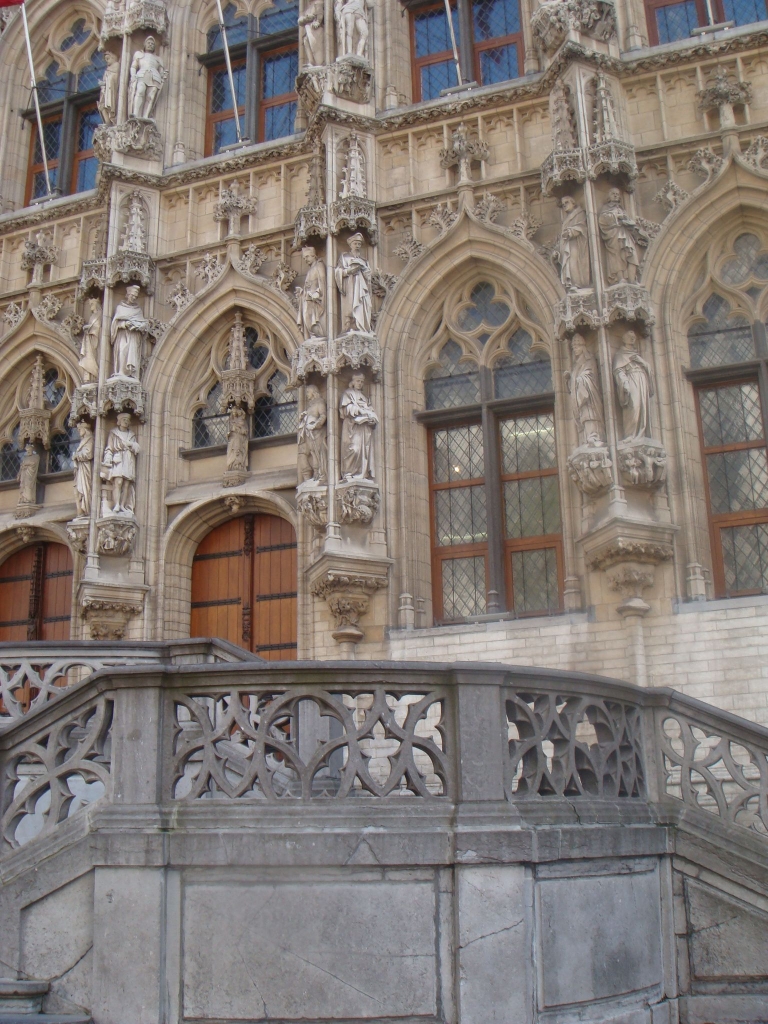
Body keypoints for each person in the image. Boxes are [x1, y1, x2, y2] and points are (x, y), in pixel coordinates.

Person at [613, 330, 654, 441]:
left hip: (642, 380)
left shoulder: (637, 355)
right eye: (629, 337)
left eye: (634, 337)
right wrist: (624, 382)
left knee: (642, 407)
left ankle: (641, 434)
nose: (632, 339)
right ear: (623, 339)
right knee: (634, 406)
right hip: (631, 379)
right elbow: (618, 370)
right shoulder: (620, 354)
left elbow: (648, 368)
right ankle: (630, 434)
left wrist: (642, 362)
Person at [565, 334, 605, 446]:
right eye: (574, 348)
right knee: (585, 416)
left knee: (590, 414)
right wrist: (570, 379)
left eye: (577, 347)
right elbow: (573, 386)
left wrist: (580, 380)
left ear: (583, 346)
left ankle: (594, 436)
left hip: (590, 395)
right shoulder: (576, 364)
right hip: (582, 395)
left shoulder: (589, 359)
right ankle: (587, 438)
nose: (575, 350)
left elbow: (590, 375)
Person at [598, 188, 640, 285]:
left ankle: (632, 279)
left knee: (632, 255)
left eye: (617, 194)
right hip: (614, 234)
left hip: (625, 233)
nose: (616, 195)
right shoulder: (606, 208)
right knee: (617, 256)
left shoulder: (621, 209)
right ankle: (620, 278)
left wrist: (627, 221)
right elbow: (602, 219)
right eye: (613, 194)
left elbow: (630, 221)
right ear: (609, 197)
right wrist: (616, 217)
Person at [339, 373, 377, 480]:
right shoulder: (348, 393)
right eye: (358, 381)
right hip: (352, 426)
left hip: (364, 428)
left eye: (361, 382)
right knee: (354, 449)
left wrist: (372, 418)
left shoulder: (365, 398)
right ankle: (349, 472)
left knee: (363, 451)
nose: (360, 383)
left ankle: (362, 474)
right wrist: (360, 410)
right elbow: (345, 409)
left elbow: (371, 410)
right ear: (353, 382)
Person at [102, 413, 139, 514]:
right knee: (118, 482)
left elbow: (137, 448)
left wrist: (130, 444)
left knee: (126, 484)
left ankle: (122, 505)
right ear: (119, 421)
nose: (126, 422)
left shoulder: (131, 434)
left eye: (127, 420)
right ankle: (117, 504)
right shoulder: (113, 433)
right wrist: (108, 458)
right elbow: (109, 448)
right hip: (118, 458)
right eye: (124, 420)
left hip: (128, 459)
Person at [335, 233, 372, 334]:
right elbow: (338, 272)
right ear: (350, 245)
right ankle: (350, 324)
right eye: (355, 243)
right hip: (350, 285)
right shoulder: (344, 257)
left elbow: (369, 277)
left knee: (361, 304)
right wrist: (349, 271)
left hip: (361, 286)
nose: (357, 246)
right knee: (350, 305)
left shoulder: (364, 261)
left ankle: (360, 325)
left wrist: (363, 268)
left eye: (359, 244)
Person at [110, 285, 149, 378]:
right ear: (127, 295)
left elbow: (143, 323)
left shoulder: (138, 310)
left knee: (132, 354)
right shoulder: (120, 308)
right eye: (132, 296)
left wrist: (137, 326)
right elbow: (115, 323)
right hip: (122, 334)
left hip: (133, 336)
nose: (134, 298)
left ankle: (130, 373)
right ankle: (121, 371)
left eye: (136, 297)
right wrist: (124, 324)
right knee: (122, 350)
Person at [128, 36, 167, 120]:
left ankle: (146, 116)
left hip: (154, 77)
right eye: (148, 43)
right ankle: (135, 113)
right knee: (140, 91)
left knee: (150, 97)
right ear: (145, 45)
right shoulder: (139, 55)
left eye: (152, 44)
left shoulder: (158, 59)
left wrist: (163, 75)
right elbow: (133, 67)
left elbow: (161, 71)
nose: (150, 45)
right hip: (142, 74)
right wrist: (133, 75)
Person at [555, 197, 590, 290]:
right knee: (569, 263)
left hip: (575, 243)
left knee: (572, 262)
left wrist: (571, 232)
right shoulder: (566, 219)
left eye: (566, 202)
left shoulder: (579, 213)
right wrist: (557, 249)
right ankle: (573, 284)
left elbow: (582, 227)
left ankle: (577, 284)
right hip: (567, 244)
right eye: (563, 204)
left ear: (573, 203)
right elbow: (561, 237)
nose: (564, 205)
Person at [298, 385, 328, 483]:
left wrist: (315, 425)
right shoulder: (310, 405)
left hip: (317, 432)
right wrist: (303, 416)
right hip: (308, 432)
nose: (306, 394)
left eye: (308, 392)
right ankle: (314, 475)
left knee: (317, 453)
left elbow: (323, 416)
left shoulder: (320, 402)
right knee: (312, 453)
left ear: (313, 392)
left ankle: (319, 474)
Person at [295, 246, 326, 339]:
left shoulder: (319, 265)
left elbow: (322, 282)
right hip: (308, 298)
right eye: (304, 258)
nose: (306, 260)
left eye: (307, 257)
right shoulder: (311, 269)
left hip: (315, 299)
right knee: (307, 318)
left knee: (311, 319)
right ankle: (314, 335)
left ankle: (318, 335)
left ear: (313, 255)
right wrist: (302, 292)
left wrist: (318, 293)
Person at [73, 421, 94, 517]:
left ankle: (86, 510)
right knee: (77, 490)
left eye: (79, 429)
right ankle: (80, 511)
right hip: (81, 468)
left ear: (85, 429)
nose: (78, 431)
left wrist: (77, 455)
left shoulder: (90, 439)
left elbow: (88, 454)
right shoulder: (84, 440)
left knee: (84, 489)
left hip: (86, 469)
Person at [79, 297, 101, 382]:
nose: (90, 306)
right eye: (90, 304)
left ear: (97, 304)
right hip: (89, 339)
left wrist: (90, 328)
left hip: (95, 338)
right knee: (88, 357)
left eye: (92, 304)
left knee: (93, 357)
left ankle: (94, 376)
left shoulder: (100, 314)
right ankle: (90, 377)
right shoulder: (92, 316)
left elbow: (98, 327)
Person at [299, 0, 324, 65]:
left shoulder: (318, 3)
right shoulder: (308, 9)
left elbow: (320, 13)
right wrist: (306, 19)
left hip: (315, 29)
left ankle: (319, 63)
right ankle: (311, 61)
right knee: (306, 41)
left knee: (315, 46)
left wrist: (318, 21)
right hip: (308, 30)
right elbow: (300, 21)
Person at [98, 51, 120, 126]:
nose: (107, 61)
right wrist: (103, 83)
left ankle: (111, 122)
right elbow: (106, 79)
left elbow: (115, 78)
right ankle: (107, 123)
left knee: (108, 105)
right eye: (106, 59)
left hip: (111, 91)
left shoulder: (117, 65)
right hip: (105, 90)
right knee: (101, 106)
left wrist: (106, 82)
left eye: (108, 58)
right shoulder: (107, 69)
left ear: (113, 58)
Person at [226, 406, 249, 474]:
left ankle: (240, 465)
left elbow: (245, 431)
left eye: (235, 412)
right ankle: (232, 465)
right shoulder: (230, 421)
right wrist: (230, 432)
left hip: (240, 438)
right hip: (233, 439)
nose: (234, 414)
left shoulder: (242, 420)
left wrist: (240, 430)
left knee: (238, 449)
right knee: (233, 450)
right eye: (233, 413)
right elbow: (228, 431)